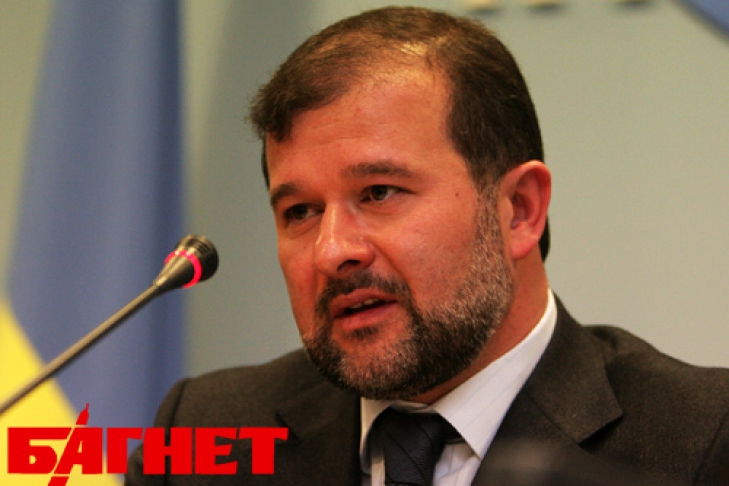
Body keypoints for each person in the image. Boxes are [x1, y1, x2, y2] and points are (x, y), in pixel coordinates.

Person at [126, 6, 729, 485]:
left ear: (520, 210)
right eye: (300, 212)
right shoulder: (209, 433)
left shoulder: (701, 441)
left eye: (379, 192)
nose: (332, 251)